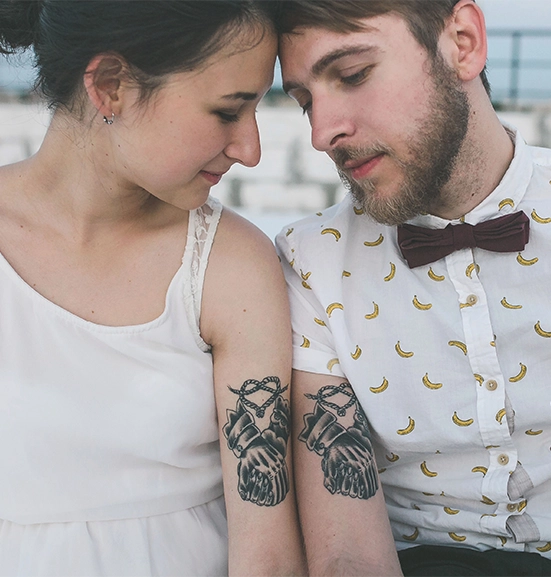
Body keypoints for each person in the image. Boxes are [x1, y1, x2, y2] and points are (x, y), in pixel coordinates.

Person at [0, 1, 306, 575]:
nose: (251, 148)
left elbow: (264, 549)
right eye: (227, 110)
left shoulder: (230, 266)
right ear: (112, 87)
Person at [273, 0, 551, 575]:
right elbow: (347, 552)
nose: (324, 133)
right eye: (304, 102)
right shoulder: (310, 261)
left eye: (352, 75)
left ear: (463, 43)